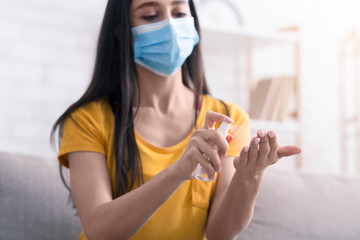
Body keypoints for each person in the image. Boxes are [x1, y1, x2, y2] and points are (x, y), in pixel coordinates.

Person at [51, 0, 301, 239]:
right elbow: (99, 230)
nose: (170, 25)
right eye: (150, 15)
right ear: (121, 31)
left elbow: (220, 234)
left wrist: (249, 178)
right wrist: (178, 172)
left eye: (180, 13)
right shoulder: (87, 120)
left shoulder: (229, 119)